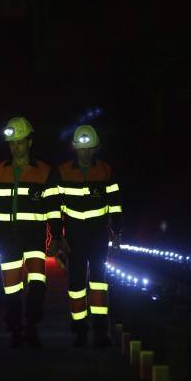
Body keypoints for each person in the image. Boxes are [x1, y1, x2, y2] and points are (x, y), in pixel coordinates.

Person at [0, 117, 61, 347]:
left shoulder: (44, 172)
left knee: (37, 283)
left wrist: (57, 236)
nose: (15, 147)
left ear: (30, 142)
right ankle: (15, 328)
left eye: (20, 142)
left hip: (34, 236)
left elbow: (53, 207)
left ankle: (32, 325)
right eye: (12, 143)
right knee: (12, 287)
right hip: (6, 237)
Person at [49, 125, 123, 347]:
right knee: (76, 285)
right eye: (81, 148)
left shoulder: (106, 172)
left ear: (96, 148)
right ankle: (80, 330)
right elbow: (54, 207)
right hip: (74, 238)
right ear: (74, 148)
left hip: (99, 237)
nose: (85, 153)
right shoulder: (62, 172)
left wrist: (117, 233)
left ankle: (100, 332)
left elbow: (115, 206)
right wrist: (57, 237)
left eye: (89, 148)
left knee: (99, 283)